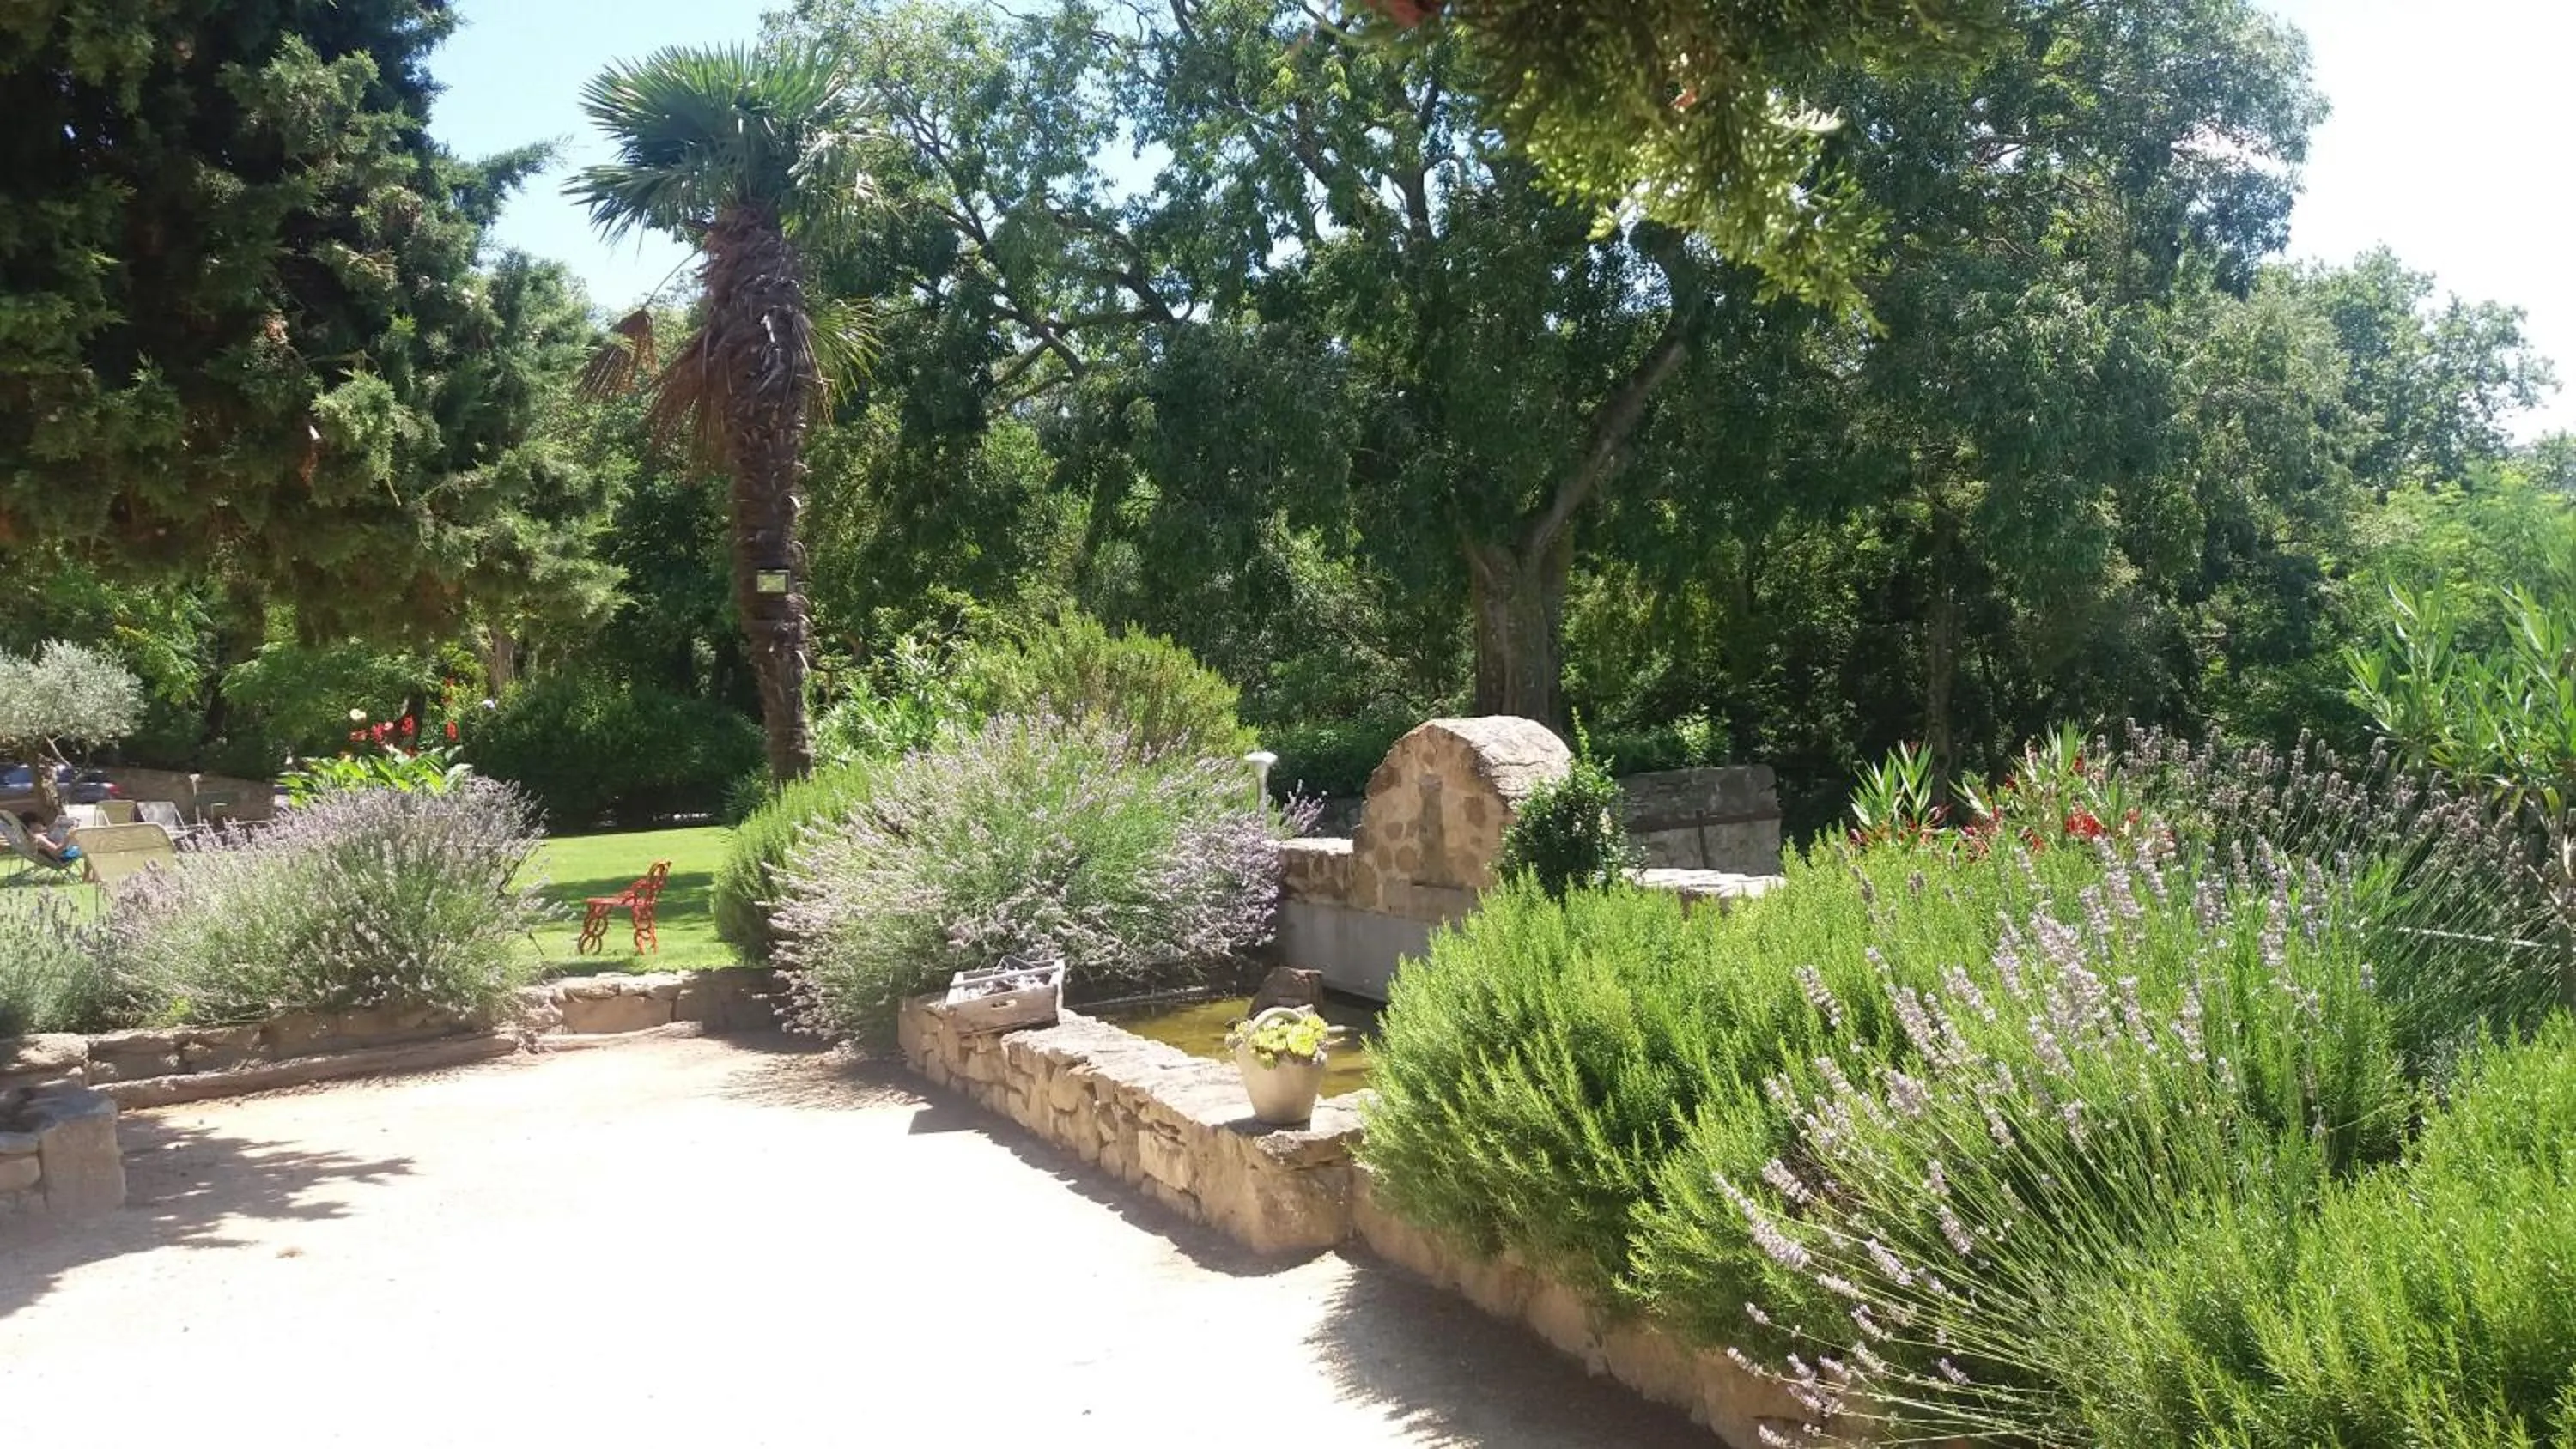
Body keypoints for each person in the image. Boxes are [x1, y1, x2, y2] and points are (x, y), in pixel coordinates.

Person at [15, 812, 81, 866]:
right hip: (62, 857)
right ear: (33, 824)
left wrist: (52, 826)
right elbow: (56, 851)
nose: (42, 825)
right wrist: (68, 835)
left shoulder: (29, 838)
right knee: (86, 846)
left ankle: (88, 875)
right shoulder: (39, 838)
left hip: (54, 858)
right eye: (40, 823)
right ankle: (87, 875)